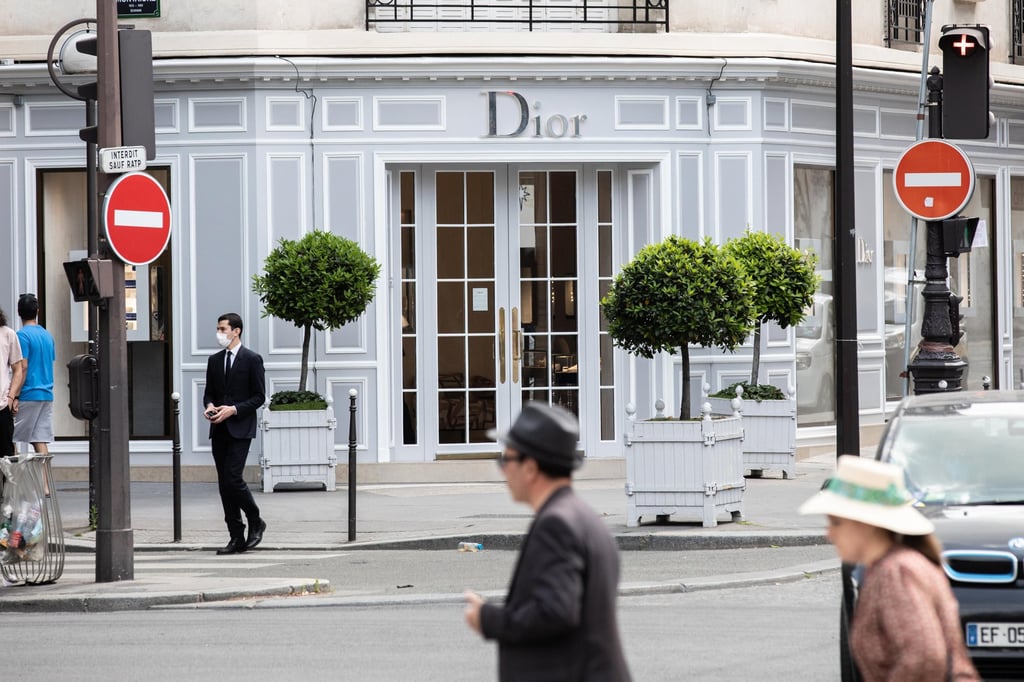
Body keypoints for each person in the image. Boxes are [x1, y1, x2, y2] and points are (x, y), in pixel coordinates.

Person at [463, 403, 631, 682]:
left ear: (529, 467)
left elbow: (555, 611)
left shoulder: (556, 525)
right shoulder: (585, 518)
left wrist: (489, 619)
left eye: (507, 460)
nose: (503, 470)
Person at [800, 455, 980, 682]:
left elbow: (924, 657)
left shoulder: (896, 571)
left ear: (864, 524)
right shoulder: (899, 564)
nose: (829, 534)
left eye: (836, 522)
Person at [202, 313, 267, 555]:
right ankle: (236, 537)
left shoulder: (252, 359)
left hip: (241, 427)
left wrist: (234, 410)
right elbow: (209, 392)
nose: (219, 333)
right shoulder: (214, 360)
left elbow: (259, 397)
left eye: (223, 329)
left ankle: (255, 518)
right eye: (218, 328)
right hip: (218, 427)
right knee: (223, 484)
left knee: (232, 477)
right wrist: (209, 406)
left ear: (236, 331)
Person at [13, 294, 56, 462]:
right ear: (37, 311)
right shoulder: (47, 336)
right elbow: (49, 363)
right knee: (39, 438)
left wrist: (15, 395)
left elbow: (23, 367)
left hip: (28, 393)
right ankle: (45, 486)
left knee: (9, 436)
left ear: (19, 313)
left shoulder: (22, 336)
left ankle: (13, 481)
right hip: (46, 394)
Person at [0, 305, 25, 460]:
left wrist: (11, 398)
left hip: (2, 405)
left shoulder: (8, 334)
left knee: (5, 457)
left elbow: (18, 369)